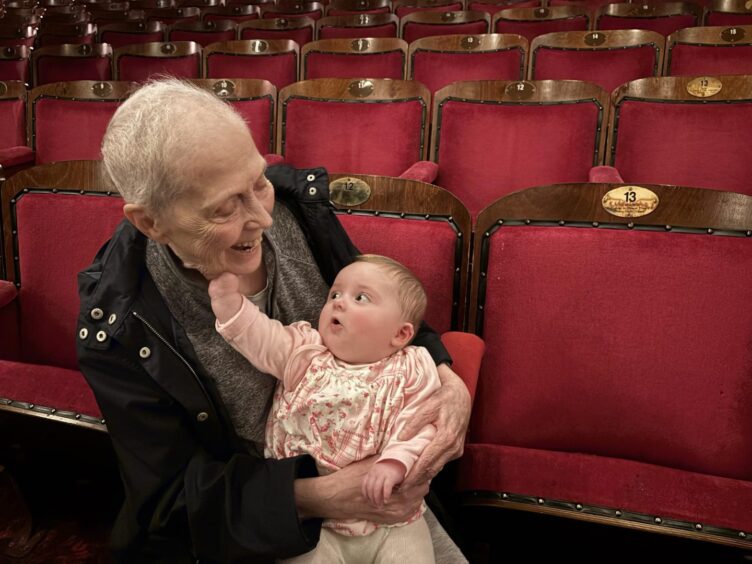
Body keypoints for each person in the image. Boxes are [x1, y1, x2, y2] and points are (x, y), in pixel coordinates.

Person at [76, 79, 472, 563]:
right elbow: (169, 499)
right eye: (224, 208)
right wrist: (317, 496)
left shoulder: (298, 212)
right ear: (151, 223)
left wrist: (448, 382)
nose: (262, 219)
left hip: (383, 487)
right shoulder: (118, 323)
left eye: (259, 182)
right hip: (261, 525)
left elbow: (389, 316)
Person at [210, 254, 439, 563]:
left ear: (400, 334)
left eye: (361, 297)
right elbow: (262, 337)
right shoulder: (305, 354)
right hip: (317, 525)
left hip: (392, 521)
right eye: (334, 294)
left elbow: (423, 422)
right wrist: (229, 305)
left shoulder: (411, 368)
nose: (339, 303)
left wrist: (395, 463)